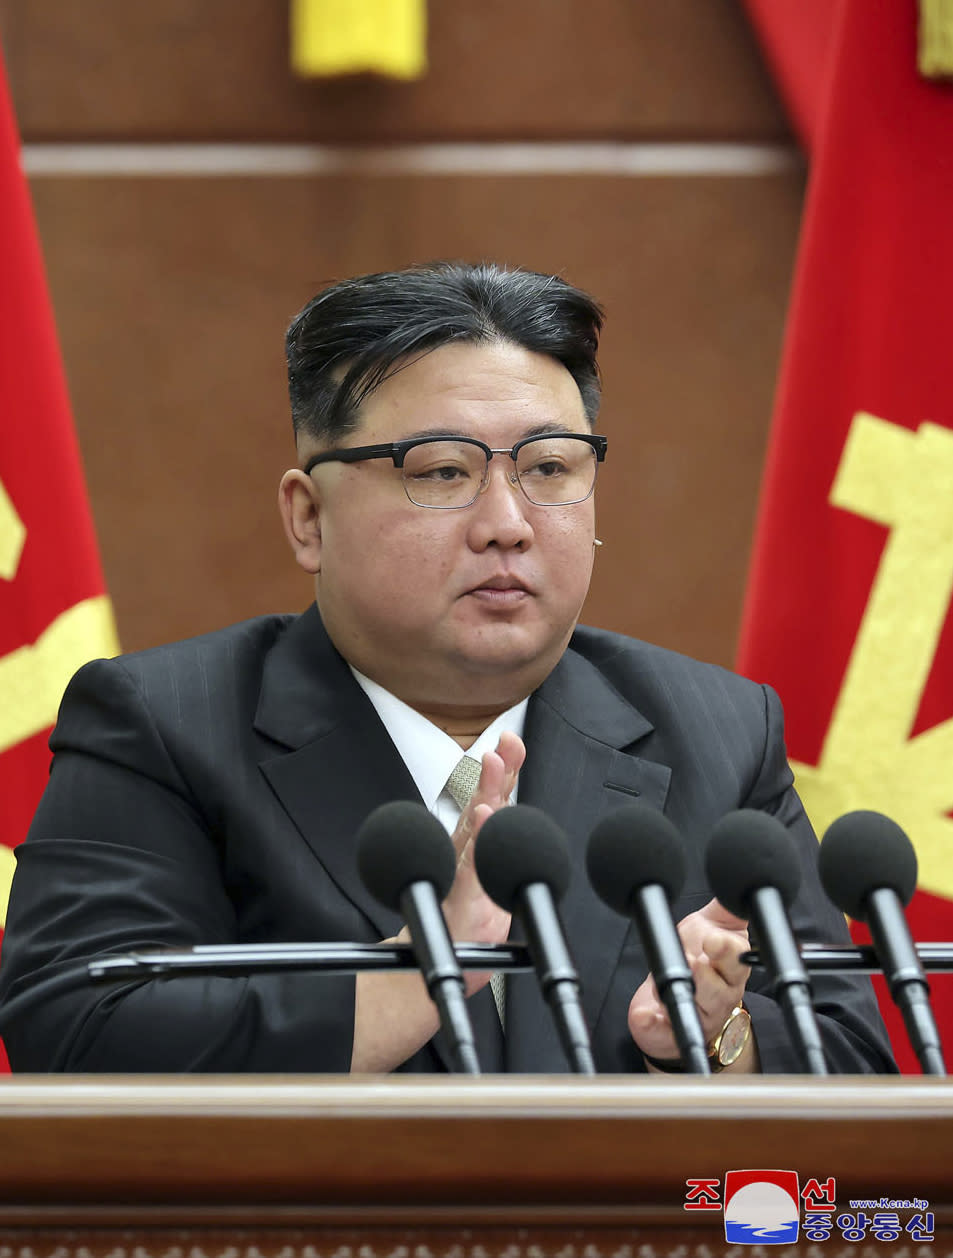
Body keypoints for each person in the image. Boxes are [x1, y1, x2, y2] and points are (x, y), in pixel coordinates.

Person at [0, 262, 894, 1074]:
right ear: (308, 518)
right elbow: (71, 1030)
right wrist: (423, 975)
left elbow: (857, 1085)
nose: (506, 521)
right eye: (440, 472)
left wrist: (709, 1041)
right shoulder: (163, 725)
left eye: (549, 467)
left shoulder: (719, 730)